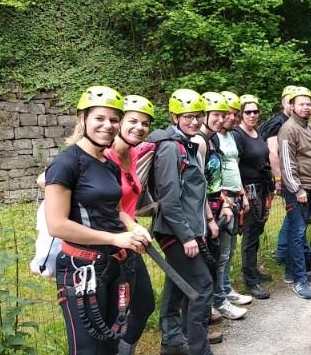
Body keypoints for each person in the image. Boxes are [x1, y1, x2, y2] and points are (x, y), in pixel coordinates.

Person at [46, 86, 152, 355]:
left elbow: (117, 211)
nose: (108, 125)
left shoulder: (110, 164)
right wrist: (115, 238)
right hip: (80, 268)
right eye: (100, 118)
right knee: (88, 349)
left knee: (110, 343)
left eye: (114, 120)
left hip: (112, 265)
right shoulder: (66, 163)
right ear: (83, 118)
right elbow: (56, 224)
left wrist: (133, 226)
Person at [147, 89, 214, 355]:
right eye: (188, 117)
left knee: (176, 283)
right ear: (175, 117)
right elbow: (169, 199)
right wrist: (187, 236)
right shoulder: (170, 148)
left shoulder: (186, 144)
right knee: (202, 286)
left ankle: (172, 342)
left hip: (183, 227)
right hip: (174, 230)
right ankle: (200, 349)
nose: (194, 122)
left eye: (198, 116)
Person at [102, 94, 156, 355]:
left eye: (145, 123)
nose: (139, 127)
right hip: (106, 243)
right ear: (119, 123)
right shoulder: (104, 155)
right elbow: (47, 178)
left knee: (144, 304)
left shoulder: (134, 153)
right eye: (133, 121)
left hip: (130, 241)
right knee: (112, 314)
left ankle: (125, 349)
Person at [193, 92, 248, 323]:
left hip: (219, 205)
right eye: (215, 114)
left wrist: (225, 200)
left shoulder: (212, 140)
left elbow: (213, 179)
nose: (222, 119)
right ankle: (217, 301)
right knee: (216, 257)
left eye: (223, 115)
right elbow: (199, 183)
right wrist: (210, 215)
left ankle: (221, 295)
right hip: (207, 210)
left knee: (224, 253)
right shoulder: (199, 142)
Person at [278, 86, 311, 299]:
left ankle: (291, 273)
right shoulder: (288, 129)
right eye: (301, 104)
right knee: (297, 234)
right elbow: (286, 163)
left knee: (298, 232)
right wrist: (297, 188)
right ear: (292, 106)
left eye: (308, 104)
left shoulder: (308, 128)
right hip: (297, 190)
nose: (306, 107)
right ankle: (300, 280)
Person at [210, 91, 256, 313]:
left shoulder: (229, 136)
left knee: (230, 250)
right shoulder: (213, 139)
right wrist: (224, 198)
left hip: (235, 195)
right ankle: (218, 298)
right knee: (222, 252)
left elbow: (233, 167)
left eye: (235, 114)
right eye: (227, 113)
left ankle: (226, 288)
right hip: (223, 198)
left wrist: (242, 194)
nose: (231, 118)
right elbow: (212, 173)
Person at [231, 94, 274, 300]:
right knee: (249, 235)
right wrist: (241, 194)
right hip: (248, 190)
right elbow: (234, 167)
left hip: (262, 187)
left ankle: (254, 269)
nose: (252, 115)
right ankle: (250, 281)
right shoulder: (237, 135)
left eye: (255, 111)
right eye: (248, 112)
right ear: (241, 114)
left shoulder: (257, 132)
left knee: (257, 230)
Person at [261, 85, 295, 264]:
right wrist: (278, 179)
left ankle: (286, 250)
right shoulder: (278, 123)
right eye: (290, 102)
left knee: (294, 213)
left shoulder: (293, 121)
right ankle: (283, 251)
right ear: (283, 103)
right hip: (282, 176)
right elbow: (273, 153)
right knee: (293, 212)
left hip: (292, 174)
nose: (292, 105)